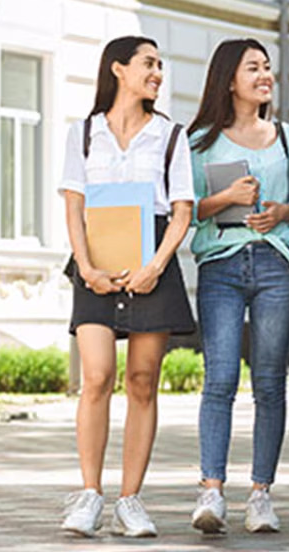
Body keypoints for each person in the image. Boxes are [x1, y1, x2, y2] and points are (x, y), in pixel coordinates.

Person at [58, 35, 197, 538]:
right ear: (117, 69)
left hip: (151, 262)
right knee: (96, 377)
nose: (157, 72)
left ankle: (130, 501)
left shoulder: (170, 135)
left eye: (160, 64)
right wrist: (86, 266)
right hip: (95, 260)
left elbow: (182, 210)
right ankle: (89, 495)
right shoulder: (84, 133)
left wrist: (157, 265)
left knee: (142, 381)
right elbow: (74, 205)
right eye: (148, 63)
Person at [185, 39, 289, 535]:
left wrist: (281, 212)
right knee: (220, 381)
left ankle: (261, 495)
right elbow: (184, 210)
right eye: (252, 67)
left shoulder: (287, 138)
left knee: (270, 382)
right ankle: (211, 492)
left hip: (277, 264)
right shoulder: (200, 142)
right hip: (222, 265)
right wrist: (225, 198)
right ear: (228, 79)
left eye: (267, 68)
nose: (264, 75)